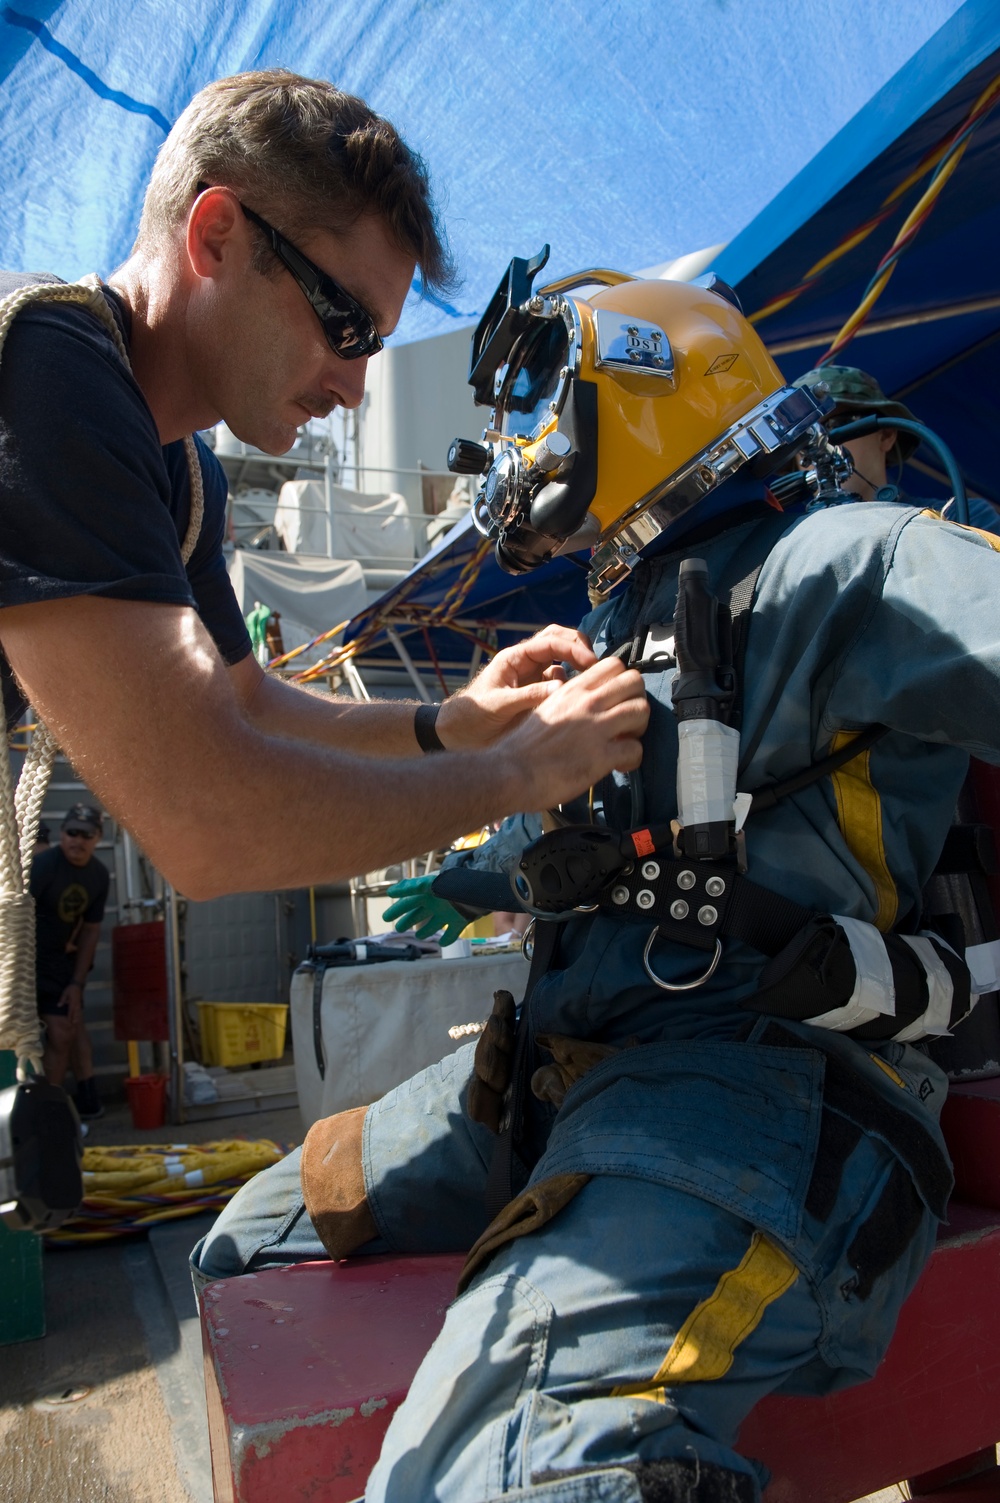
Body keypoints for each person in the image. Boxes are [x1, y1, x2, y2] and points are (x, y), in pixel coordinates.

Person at [191, 266, 1000, 1500]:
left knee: (504, 1478)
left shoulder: (848, 563)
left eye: (537, 397)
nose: (513, 445)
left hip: (756, 1097)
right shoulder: (620, 639)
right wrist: (470, 871)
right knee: (249, 1238)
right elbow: (596, 848)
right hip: (550, 1088)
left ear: (636, 375)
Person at [0, 71, 648, 909]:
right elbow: (209, 819)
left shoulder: (181, 473)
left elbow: (249, 704)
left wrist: (445, 727)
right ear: (217, 237)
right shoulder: (47, 369)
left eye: (375, 345)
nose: (354, 385)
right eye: (344, 322)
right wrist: (518, 770)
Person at [794, 364, 1000, 531]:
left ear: (886, 435)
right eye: (802, 436)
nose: (819, 442)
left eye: (837, 425)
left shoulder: (961, 519)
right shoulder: (780, 555)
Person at [30, 804, 109, 1115]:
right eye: (71, 832)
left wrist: (77, 983)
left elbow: (91, 931)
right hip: (22, 961)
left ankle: (48, 1114)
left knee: (63, 1032)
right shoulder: (43, 866)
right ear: (61, 834)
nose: (78, 840)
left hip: (59, 964)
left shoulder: (99, 876)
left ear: (98, 838)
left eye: (86, 834)